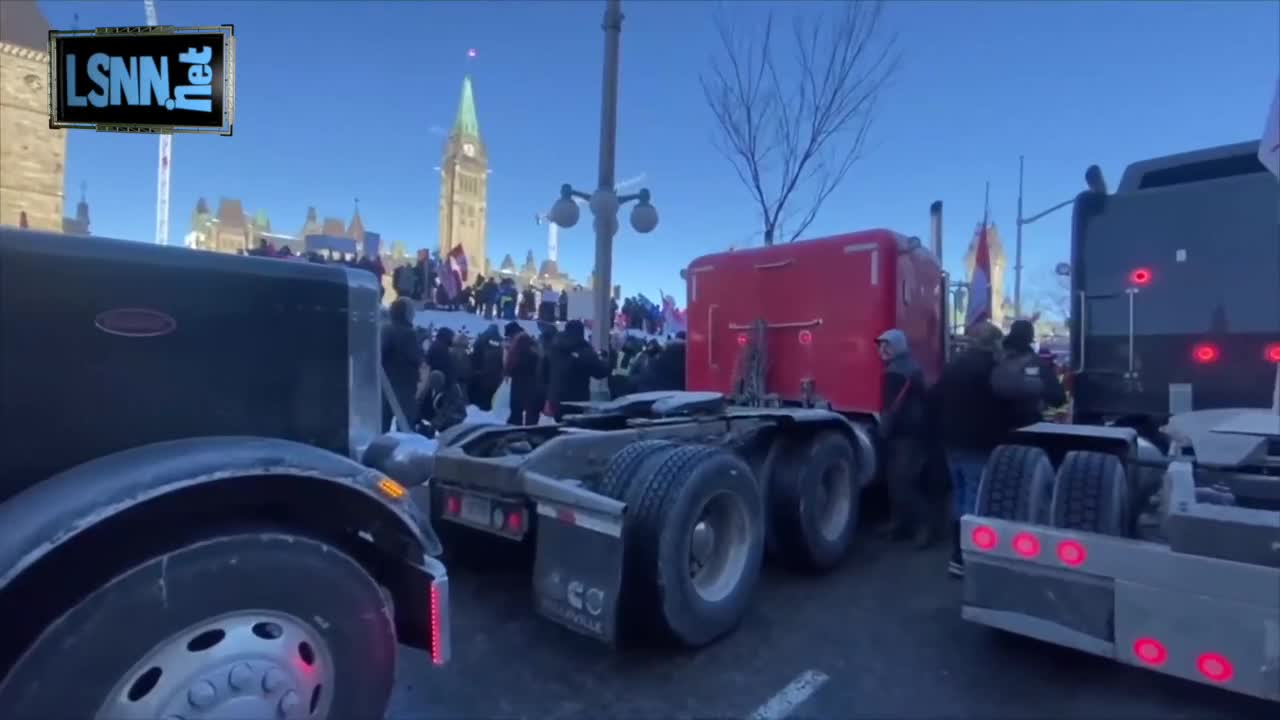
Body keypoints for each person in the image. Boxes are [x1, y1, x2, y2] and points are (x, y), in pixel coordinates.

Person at [930, 321, 1014, 577]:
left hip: (952, 441)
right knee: (976, 501)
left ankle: (958, 556)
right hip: (978, 443)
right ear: (993, 343)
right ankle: (968, 557)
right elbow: (1004, 405)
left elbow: (935, 398)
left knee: (960, 496)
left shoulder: (953, 365)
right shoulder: (992, 369)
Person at [874, 329, 933, 547]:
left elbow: (894, 406)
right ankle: (901, 523)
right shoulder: (908, 366)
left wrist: (885, 428)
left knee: (904, 481)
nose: (882, 350)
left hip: (907, 433)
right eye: (880, 345)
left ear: (897, 346)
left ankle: (921, 528)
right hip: (908, 431)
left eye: (886, 345)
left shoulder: (897, 371)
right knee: (897, 479)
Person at [994, 319, 1067, 428]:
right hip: (1026, 424)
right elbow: (1058, 398)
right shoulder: (1036, 362)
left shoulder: (993, 359)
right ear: (1029, 339)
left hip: (993, 424)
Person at [545, 319, 611, 421]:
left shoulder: (554, 348)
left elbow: (543, 371)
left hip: (556, 399)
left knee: (559, 425)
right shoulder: (584, 350)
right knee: (573, 428)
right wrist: (606, 360)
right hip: (577, 401)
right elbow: (600, 372)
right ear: (581, 332)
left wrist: (548, 394)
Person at [380, 298, 425, 431]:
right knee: (404, 425)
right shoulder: (408, 333)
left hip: (386, 384)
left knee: (383, 423)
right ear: (406, 313)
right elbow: (417, 357)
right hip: (404, 385)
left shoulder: (385, 329)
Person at [505, 325, 540, 425]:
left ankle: (514, 433)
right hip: (532, 385)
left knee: (516, 412)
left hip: (517, 385)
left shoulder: (515, 350)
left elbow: (509, 368)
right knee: (531, 414)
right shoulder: (534, 350)